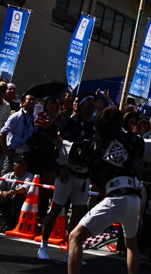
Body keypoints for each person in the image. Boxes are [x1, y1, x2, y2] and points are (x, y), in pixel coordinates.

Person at [65, 106, 151, 274]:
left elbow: (65, 148)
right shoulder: (127, 139)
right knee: (131, 245)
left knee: (75, 237)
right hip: (134, 198)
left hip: (116, 197)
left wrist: (49, 132)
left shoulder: (93, 146)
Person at [37, 93, 96, 262]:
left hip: (83, 174)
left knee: (77, 213)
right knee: (56, 208)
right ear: (81, 105)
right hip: (67, 171)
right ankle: (43, 245)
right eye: (88, 101)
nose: (92, 104)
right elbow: (61, 144)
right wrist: (63, 165)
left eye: (94, 101)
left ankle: (70, 251)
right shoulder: (71, 122)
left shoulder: (94, 127)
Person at [0, 153, 31, 233]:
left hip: (18, 205)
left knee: (19, 195)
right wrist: (0, 193)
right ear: (14, 166)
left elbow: (24, 189)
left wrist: (11, 193)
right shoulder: (8, 175)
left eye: (24, 164)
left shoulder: (28, 176)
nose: (23, 166)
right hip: (5, 202)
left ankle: (11, 224)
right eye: (20, 164)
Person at [0, 93, 36, 172]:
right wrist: (5, 150)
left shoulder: (33, 118)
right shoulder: (16, 116)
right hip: (13, 152)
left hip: (26, 153)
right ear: (23, 102)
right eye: (29, 100)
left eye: (33, 100)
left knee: (22, 177)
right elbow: (3, 132)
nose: (32, 102)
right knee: (6, 174)